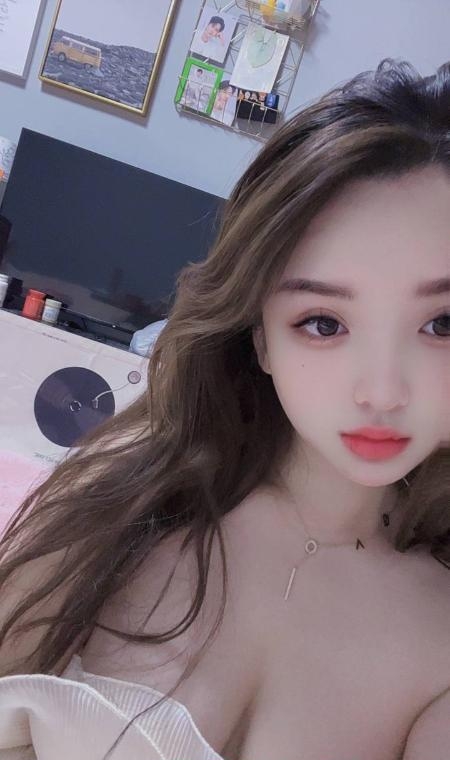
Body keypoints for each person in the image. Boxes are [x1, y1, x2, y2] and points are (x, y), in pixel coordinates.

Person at [0, 58, 449, 760]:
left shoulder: (437, 633)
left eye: (442, 324)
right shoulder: (121, 499)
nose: (383, 391)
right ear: (259, 336)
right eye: (323, 322)